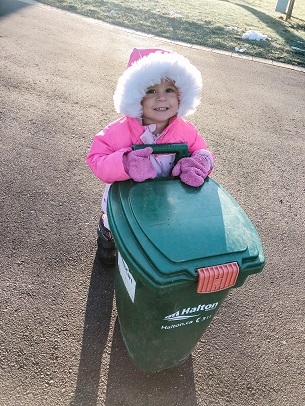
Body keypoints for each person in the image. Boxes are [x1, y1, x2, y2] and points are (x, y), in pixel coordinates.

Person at [86, 48, 214, 265]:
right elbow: (96, 159)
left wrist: (199, 162)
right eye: (151, 90)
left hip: (164, 196)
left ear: (182, 94)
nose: (162, 97)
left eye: (169, 89)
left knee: (156, 229)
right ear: (135, 96)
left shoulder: (186, 131)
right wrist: (124, 163)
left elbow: (202, 152)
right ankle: (107, 235)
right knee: (115, 221)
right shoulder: (118, 131)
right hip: (123, 198)